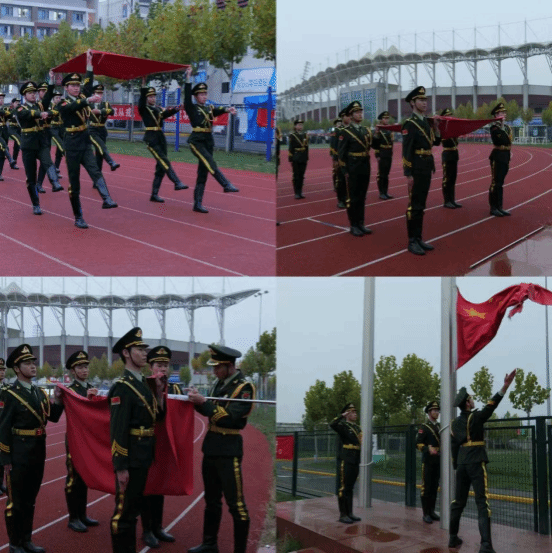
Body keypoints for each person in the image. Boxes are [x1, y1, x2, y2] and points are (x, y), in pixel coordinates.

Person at [187, 344, 255, 553]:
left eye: (218, 367)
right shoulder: (219, 383)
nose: (214, 371)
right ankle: (210, 544)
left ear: (229, 365)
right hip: (211, 447)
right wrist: (196, 400)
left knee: (236, 505)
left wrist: (205, 403)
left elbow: (230, 418)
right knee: (212, 501)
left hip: (229, 450)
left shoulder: (244, 388)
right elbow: (209, 411)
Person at [0, 344, 64, 553]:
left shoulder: (39, 392)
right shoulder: (10, 394)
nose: (33, 366)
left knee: (30, 500)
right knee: (15, 501)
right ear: (17, 368)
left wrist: (58, 399)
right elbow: (3, 428)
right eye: (27, 363)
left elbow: (53, 417)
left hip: (37, 451)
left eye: (33, 362)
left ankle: (27, 540)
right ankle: (15, 544)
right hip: (18, 453)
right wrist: (5, 458)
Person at [108, 328, 166, 553]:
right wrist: (120, 467)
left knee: (133, 511)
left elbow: (157, 418)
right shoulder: (122, 387)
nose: (144, 353)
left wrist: (159, 394)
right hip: (130, 458)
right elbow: (118, 430)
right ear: (126, 353)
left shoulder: (144, 384)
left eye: (144, 349)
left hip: (143, 455)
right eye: (139, 349)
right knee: (124, 514)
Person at [449, 369, 517, 553]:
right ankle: (485, 545)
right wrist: (505, 386)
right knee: (482, 503)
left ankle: (452, 538)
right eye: (471, 398)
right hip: (476, 461)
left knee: (458, 502)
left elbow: (454, 447)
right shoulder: (476, 417)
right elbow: (492, 405)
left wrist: (456, 465)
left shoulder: (454, 424)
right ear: (467, 403)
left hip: (462, 464)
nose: (473, 400)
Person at [56, 61, 118, 229]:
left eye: (78, 85)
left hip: (84, 140)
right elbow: (74, 106)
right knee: (74, 182)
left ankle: (107, 198)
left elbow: (88, 85)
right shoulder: (62, 103)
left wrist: (89, 65)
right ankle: (78, 216)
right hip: (72, 144)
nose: (76, 88)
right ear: (66, 88)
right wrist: (88, 99)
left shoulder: (82, 97)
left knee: (95, 170)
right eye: (73, 85)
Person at [184, 66, 239, 213]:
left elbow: (217, 110)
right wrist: (188, 78)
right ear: (196, 96)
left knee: (203, 173)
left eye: (205, 93)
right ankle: (225, 184)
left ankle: (197, 204)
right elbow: (186, 97)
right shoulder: (191, 108)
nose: (204, 96)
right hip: (197, 141)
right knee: (210, 162)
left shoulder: (208, 108)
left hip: (208, 141)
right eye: (201, 94)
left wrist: (228, 109)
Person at [140, 345, 179, 548]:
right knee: (148, 487)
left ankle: (158, 527)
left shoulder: (175, 389)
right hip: (146, 443)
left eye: (165, 365)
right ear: (150, 367)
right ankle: (147, 530)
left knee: (160, 486)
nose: (163, 369)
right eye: (158, 365)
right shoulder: (143, 387)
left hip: (165, 445)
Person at [63, 350, 100, 533]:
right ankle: (73, 517)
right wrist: (57, 399)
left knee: (84, 476)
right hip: (74, 438)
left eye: (85, 366)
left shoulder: (93, 388)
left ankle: (83, 514)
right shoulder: (69, 391)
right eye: (80, 367)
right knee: (74, 478)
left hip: (89, 439)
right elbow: (56, 415)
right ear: (73, 371)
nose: (84, 370)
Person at [402, 86, 441, 255]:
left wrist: (436, 127)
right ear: (412, 103)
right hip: (416, 167)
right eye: (421, 100)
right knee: (414, 206)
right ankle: (412, 241)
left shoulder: (426, 122)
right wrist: (408, 174)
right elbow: (406, 150)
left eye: (425, 100)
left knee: (421, 205)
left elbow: (436, 142)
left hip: (426, 166)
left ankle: (418, 238)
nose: (425, 103)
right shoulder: (410, 124)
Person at [138, 82, 188, 204]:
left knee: (161, 167)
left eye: (154, 96)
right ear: (146, 98)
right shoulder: (144, 109)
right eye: (150, 97)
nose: (153, 98)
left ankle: (154, 194)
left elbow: (165, 114)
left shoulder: (158, 108)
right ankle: (177, 182)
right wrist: (143, 86)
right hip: (151, 138)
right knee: (164, 161)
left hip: (160, 137)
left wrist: (177, 108)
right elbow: (141, 101)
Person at [17, 80, 61, 215]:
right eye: (30, 93)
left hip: (41, 142)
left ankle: (55, 182)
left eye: (34, 92)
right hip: (28, 145)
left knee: (47, 161)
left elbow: (47, 97)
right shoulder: (20, 108)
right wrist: (40, 114)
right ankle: (36, 204)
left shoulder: (40, 105)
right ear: (24, 95)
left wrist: (52, 81)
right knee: (31, 177)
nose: (33, 95)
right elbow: (27, 114)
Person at [337, 101, 372, 237]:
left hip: (365, 165)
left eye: (360, 112)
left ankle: (361, 223)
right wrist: (345, 171)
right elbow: (341, 154)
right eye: (357, 112)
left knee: (362, 196)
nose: (360, 114)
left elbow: (372, 144)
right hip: (353, 167)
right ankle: (354, 225)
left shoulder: (366, 130)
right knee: (353, 197)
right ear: (351, 115)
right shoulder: (345, 132)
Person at [329, 402, 362, 524]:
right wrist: (341, 416)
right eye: (352, 412)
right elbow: (332, 424)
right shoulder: (343, 426)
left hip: (355, 458)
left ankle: (350, 513)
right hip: (346, 458)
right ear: (347, 414)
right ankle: (343, 514)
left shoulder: (357, 428)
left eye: (355, 412)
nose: (355, 414)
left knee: (350, 487)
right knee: (344, 487)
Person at [82, 73, 120, 173]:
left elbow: (112, 111)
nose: (99, 95)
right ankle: (111, 162)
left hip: (102, 130)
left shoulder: (105, 104)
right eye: (97, 93)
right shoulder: (89, 104)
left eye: (101, 93)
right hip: (92, 130)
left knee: (99, 153)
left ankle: (98, 174)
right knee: (101, 146)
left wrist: (100, 111)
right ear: (93, 94)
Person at [35, 79, 64, 194]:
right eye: (42, 91)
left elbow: (56, 112)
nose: (44, 93)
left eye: (46, 91)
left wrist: (49, 113)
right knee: (31, 162)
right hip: (35, 135)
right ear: (38, 92)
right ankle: (33, 183)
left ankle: (39, 184)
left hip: (46, 132)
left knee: (45, 160)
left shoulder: (51, 105)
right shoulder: (35, 105)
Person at [416, 400, 441, 524]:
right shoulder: (424, 427)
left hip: (438, 460)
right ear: (429, 412)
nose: (437, 412)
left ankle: (432, 511)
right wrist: (427, 449)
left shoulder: (440, 426)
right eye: (434, 410)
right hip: (428, 461)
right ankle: (425, 513)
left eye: (437, 410)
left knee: (434, 486)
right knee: (426, 487)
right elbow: (418, 443)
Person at [488, 102, 512, 217]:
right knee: (495, 183)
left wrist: (503, 126)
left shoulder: (506, 127)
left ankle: (500, 206)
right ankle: (493, 207)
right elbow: (500, 140)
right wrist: (501, 126)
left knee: (501, 183)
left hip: (505, 156)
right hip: (497, 156)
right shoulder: (494, 128)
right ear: (496, 115)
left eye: (504, 112)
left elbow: (508, 142)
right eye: (502, 112)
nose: (504, 114)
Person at [439, 108, 462, 209]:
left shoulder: (453, 128)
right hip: (447, 154)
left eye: (450, 115)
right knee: (447, 179)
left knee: (453, 178)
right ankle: (447, 201)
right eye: (447, 116)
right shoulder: (442, 128)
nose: (449, 117)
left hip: (454, 154)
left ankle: (452, 200)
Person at [372, 110, 394, 200]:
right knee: (382, 174)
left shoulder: (389, 129)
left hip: (388, 154)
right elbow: (375, 144)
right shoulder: (378, 130)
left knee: (386, 174)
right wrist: (377, 155)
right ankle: (381, 192)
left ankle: (385, 191)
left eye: (387, 118)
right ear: (381, 119)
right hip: (382, 153)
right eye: (385, 118)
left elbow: (391, 143)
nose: (387, 120)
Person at [288, 118, 309, 200]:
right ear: (295, 126)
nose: (300, 126)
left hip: (303, 157)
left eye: (301, 125)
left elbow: (306, 147)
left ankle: (300, 191)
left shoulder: (305, 135)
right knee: (296, 176)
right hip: (296, 157)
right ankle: (296, 192)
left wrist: (307, 157)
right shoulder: (292, 135)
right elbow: (291, 148)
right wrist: (291, 158)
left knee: (302, 175)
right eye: (299, 125)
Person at [0, 92, 19, 180]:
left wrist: (14, 110)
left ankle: (0, 173)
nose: (1, 100)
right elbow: (4, 113)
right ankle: (11, 159)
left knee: (1, 154)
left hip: (4, 131)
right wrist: (10, 113)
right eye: (0, 98)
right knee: (4, 146)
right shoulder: (4, 110)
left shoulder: (5, 109)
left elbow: (10, 116)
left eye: (2, 98)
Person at [49, 91, 65, 177]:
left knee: (59, 151)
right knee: (61, 144)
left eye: (59, 98)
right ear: (53, 99)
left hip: (61, 128)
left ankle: (56, 168)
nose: (58, 99)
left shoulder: (62, 106)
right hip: (53, 128)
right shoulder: (50, 106)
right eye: (56, 98)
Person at [0, 357, 8, 495]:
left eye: (3, 369)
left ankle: (0, 483)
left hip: (3, 428)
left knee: (1, 459)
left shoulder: (7, 389)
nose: (1, 372)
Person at [7, 98, 21, 168]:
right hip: (11, 129)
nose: (18, 103)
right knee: (19, 141)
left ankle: (13, 162)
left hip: (19, 129)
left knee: (17, 147)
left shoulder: (20, 110)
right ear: (12, 103)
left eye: (18, 102)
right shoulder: (9, 109)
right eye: (16, 102)